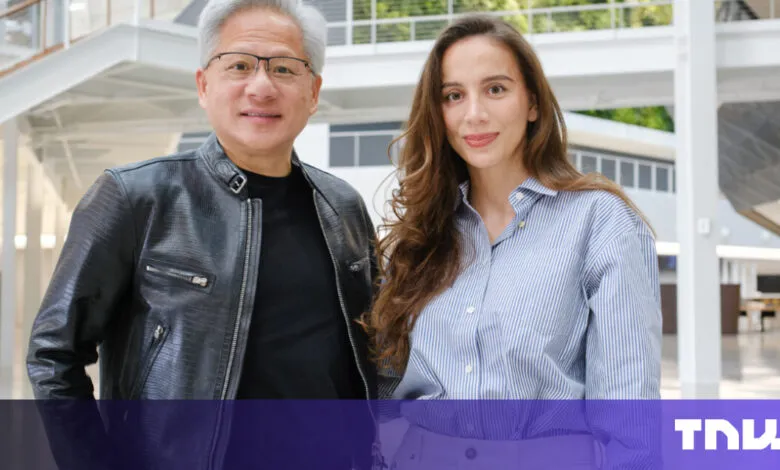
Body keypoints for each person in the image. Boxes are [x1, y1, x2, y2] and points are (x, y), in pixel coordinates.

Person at [26, 0, 378, 469]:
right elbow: (54, 355)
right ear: (203, 84)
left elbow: (374, 346)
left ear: (313, 92)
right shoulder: (136, 197)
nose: (261, 86)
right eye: (238, 65)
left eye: (284, 69)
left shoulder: (343, 205)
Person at [363, 14, 662, 470]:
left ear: (533, 103)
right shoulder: (420, 237)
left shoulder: (600, 222)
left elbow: (630, 417)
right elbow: (384, 390)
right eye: (453, 95)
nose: (474, 114)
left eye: (496, 89)